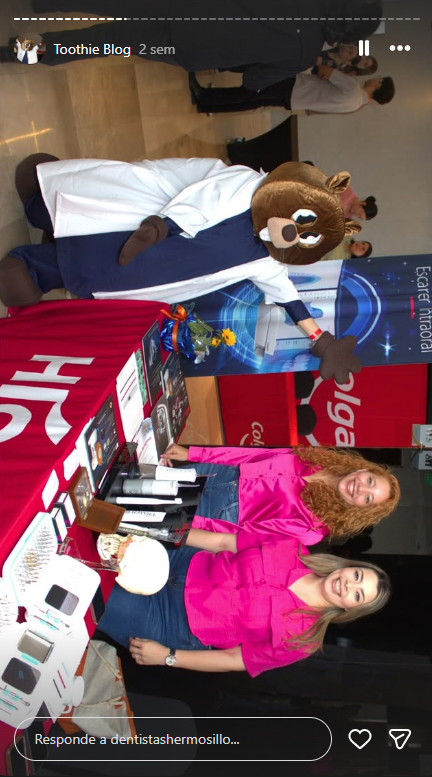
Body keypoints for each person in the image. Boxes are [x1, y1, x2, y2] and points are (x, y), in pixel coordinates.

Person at [0, 153, 363, 385]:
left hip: (151, 272)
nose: (291, 233)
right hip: (149, 221)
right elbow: (204, 201)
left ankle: (35, 268)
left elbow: (286, 294)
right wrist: (162, 227)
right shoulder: (247, 186)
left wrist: (321, 340)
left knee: (99, 269)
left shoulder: (264, 257)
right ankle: (41, 208)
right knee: (91, 222)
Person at [97, 527, 391, 675]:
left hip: (169, 623)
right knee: (94, 549)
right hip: (177, 562)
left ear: (351, 609)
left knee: (91, 592)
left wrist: (167, 657)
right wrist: (160, 531)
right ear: (347, 566)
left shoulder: (303, 640)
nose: (348, 585)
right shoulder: (293, 548)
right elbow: (224, 542)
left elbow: (233, 659)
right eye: (356, 575)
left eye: (357, 594)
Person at [0, 0, 385, 91]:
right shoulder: (303, 54)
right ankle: (25, 52)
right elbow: (254, 82)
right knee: (107, 41)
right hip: (189, 46)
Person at [161, 445, 401, 544]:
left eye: (367, 498)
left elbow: (245, 534)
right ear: (363, 469)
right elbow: (251, 456)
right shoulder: (320, 459)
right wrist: (194, 453)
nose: (361, 488)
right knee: (148, 481)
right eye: (370, 481)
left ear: (360, 509)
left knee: (152, 509)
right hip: (221, 473)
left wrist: (191, 523)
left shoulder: (314, 529)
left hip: (220, 513)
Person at [188, 69, 395, 114]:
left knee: (249, 93)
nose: (375, 78)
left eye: (379, 78)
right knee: (251, 101)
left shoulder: (353, 87)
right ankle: (206, 104)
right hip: (295, 100)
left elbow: (325, 70)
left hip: (295, 87)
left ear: (378, 85)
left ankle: (203, 96)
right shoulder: (356, 105)